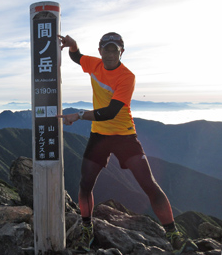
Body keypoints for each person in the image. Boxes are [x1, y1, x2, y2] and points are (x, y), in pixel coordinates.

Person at [57, 32, 198, 254]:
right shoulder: (95, 64)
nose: (111, 53)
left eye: (115, 49)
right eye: (107, 49)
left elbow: (111, 112)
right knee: (85, 184)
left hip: (124, 136)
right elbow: (78, 58)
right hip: (99, 136)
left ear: (121, 52)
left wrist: (79, 115)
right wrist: (73, 47)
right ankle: (87, 228)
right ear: (100, 50)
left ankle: (173, 235)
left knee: (149, 185)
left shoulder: (126, 77)